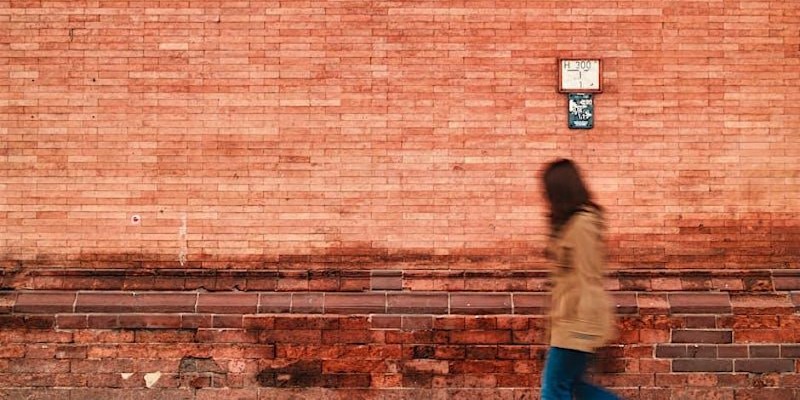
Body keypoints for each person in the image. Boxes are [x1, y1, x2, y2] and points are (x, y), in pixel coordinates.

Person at [540, 159, 620, 400]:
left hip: (577, 322)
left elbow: (588, 277)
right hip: (569, 321)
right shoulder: (570, 224)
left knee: (554, 389)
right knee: (573, 385)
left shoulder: (582, 225)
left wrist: (584, 329)